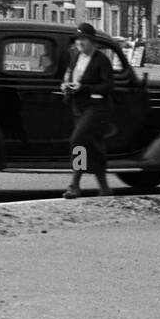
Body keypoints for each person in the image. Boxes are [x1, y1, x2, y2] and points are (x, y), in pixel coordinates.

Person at [61, 22, 114, 198]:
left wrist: (82, 88)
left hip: (96, 109)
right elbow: (69, 74)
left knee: (77, 140)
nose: (80, 43)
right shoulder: (76, 57)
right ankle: (104, 188)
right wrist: (65, 85)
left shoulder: (101, 60)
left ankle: (74, 184)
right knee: (91, 146)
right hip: (79, 107)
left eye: (83, 39)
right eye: (78, 39)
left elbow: (107, 86)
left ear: (92, 41)